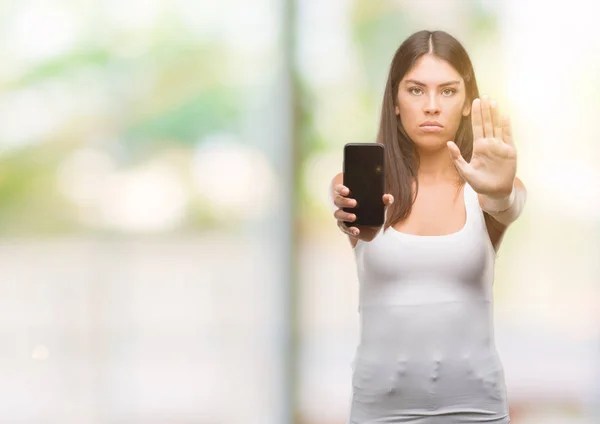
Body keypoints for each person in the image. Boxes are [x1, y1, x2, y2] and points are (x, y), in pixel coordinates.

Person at [329, 30, 527, 423]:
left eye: (448, 91)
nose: (432, 106)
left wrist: (500, 190)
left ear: (468, 102)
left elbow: (509, 205)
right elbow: (359, 229)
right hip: (381, 412)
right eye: (416, 90)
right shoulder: (357, 188)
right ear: (396, 102)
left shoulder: (489, 190)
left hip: (476, 410)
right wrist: (351, 222)